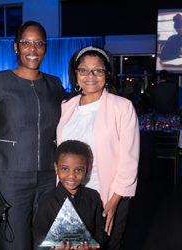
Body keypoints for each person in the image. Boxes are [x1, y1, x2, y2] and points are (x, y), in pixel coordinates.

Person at [0, 21, 68, 250]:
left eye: (38, 43)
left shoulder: (54, 84)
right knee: (15, 244)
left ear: (45, 48)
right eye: (26, 43)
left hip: (48, 178)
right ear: (16, 47)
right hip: (10, 179)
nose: (32, 49)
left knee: (46, 244)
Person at [56, 46, 140, 250]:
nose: (90, 76)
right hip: (71, 194)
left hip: (108, 196)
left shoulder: (122, 107)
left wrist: (114, 201)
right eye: (83, 70)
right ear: (75, 74)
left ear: (107, 74)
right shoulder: (66, 106)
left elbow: (129, 159)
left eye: (98, 70)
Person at [33, 140, 108, 250]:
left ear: (87, 170)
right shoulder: (48, 200)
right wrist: (52, 246)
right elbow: (38, 232)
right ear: (56, 168)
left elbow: (101, 229)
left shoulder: (93, 197)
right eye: (65, 169)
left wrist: (93, 245)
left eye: (78, 170)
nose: (71, 175)